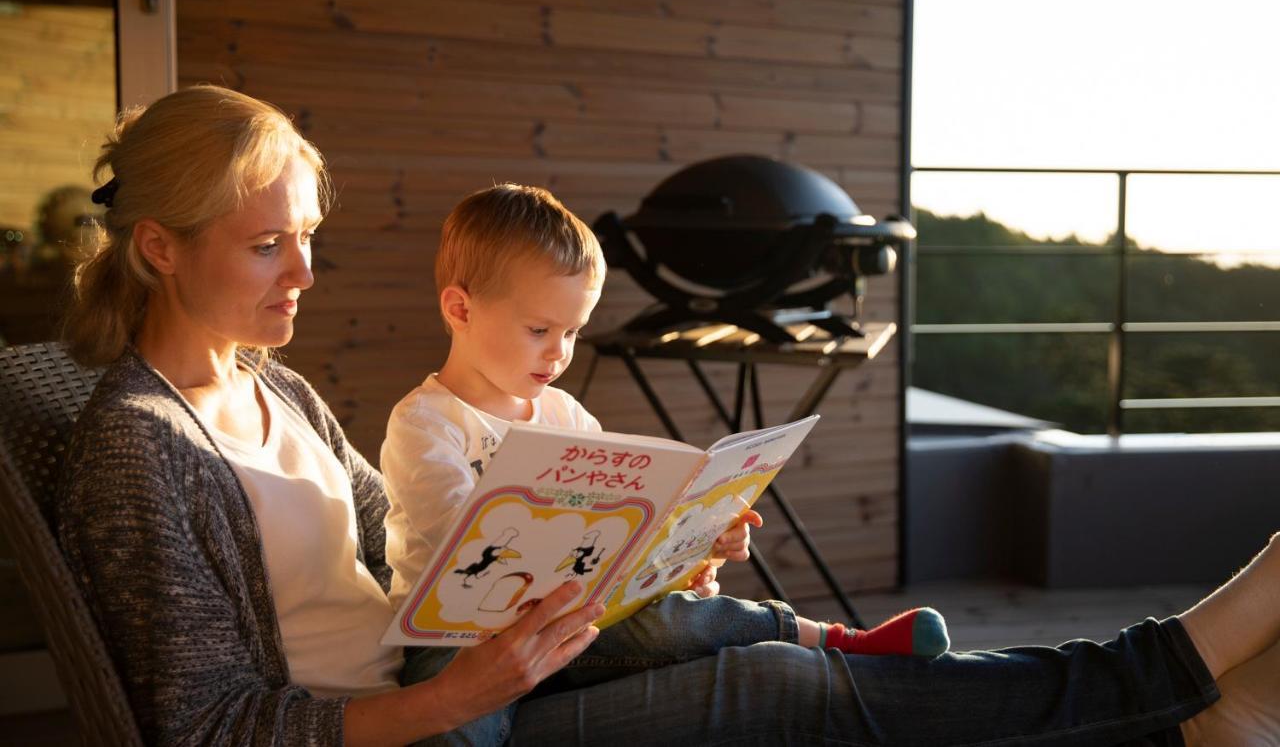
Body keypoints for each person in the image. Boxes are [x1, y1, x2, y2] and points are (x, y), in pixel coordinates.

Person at [55, 84, 1279, 746]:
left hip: (467, 679)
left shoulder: (278, 390)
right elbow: (206, 726)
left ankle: (1166, 701)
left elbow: (420, 558)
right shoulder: (134, 448)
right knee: (791, 696)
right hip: (421, 728)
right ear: (158, 247)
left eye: (307, 240)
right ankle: (1163, 676)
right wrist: (453, 697)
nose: (304, 276)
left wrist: (639, 544)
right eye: (268, 245)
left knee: (751, 639)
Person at [380, 183, 952, 741]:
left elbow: (619, 532)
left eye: (573, 331)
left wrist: (691, 547)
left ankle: (840, 641)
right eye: (539, 330)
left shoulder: (566, 415)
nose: (559, 351)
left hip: (568, 624)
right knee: (450, 728)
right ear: (460, 309)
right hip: (459, 639)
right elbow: (462, 544)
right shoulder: (427, 424)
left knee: (669, 620)